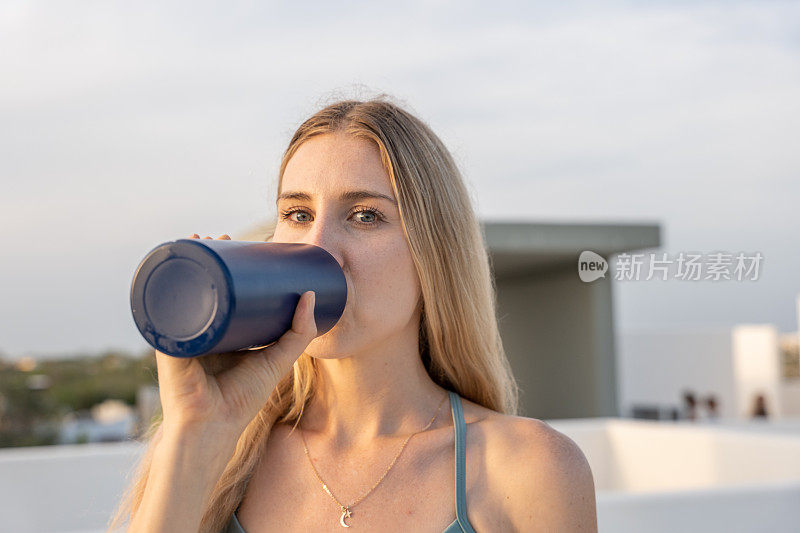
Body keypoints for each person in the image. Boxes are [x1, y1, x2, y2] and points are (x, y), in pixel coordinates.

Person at [109, 96, 598, 532]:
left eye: (365, 216)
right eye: (298, 215)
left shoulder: (528, 470)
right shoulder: (217, 455)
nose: (319, 248)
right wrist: (194, 435)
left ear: (434, 253)